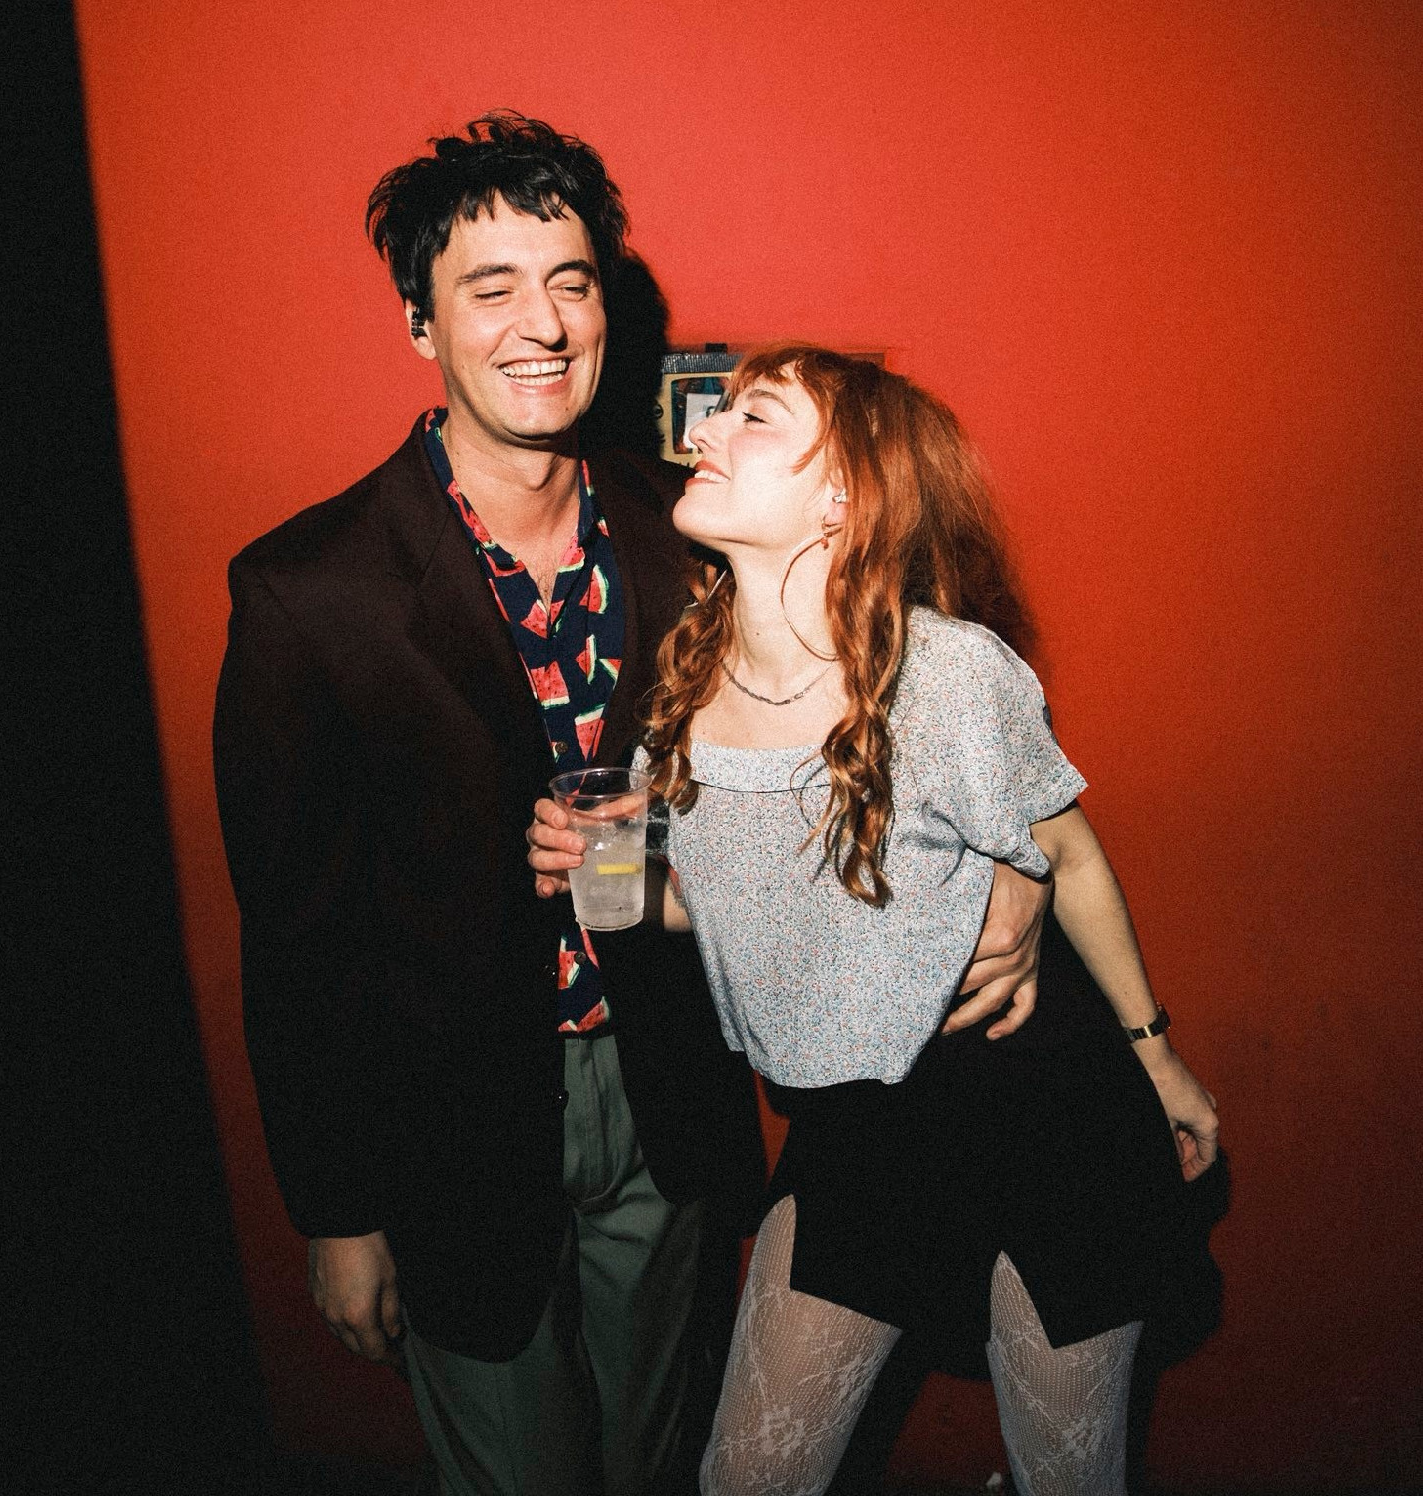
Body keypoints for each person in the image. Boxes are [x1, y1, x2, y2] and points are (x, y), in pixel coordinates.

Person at [214, 123, 1059, 1496]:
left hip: (664, 1092)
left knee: (657, 1457)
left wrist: (1016, 879)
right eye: (490, 288)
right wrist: (339, 1211)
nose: (544, 324)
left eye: (572, 280)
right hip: (450, 1126)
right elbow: (296, 941)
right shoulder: (308, 593)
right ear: (419, 322)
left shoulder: (699, 529)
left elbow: (907, 704)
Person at [529, 344, 1220, 1496]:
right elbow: (717, 900)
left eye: (754, 417)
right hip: (856, 1136)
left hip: (1041, 1115)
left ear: (841, 498)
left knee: (1067, 1478)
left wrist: (1157, 1056)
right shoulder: (681, 679)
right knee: (742, 1480)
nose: (704, 433)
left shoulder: (945, 672)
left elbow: (1068, 852)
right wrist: (599, 867)